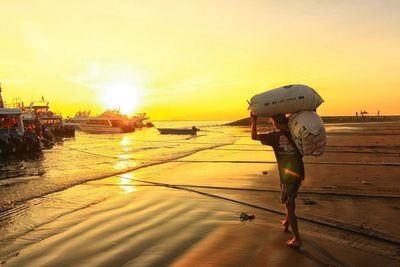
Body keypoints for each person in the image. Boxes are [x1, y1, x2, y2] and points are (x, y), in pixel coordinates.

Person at [251, 112, 304, 248]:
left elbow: (254, 136)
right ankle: (286, 222)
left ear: (276, 123)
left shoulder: (275, 137)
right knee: (290, 199)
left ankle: (296, 238)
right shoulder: (296, 133)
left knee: (289, 205)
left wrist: (254, 120)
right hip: (299, 173)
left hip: (287, 176)